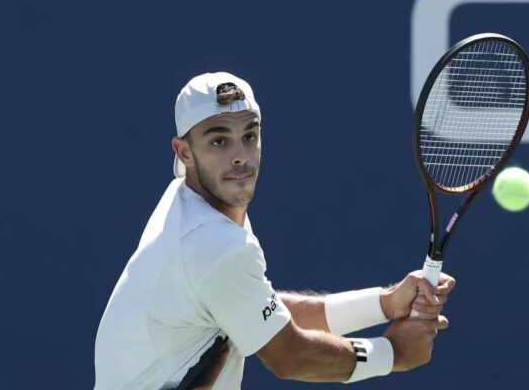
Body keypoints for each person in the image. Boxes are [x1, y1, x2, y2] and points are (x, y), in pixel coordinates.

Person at [94, 72, 456, 390]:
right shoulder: (212, 242)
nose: (241, 156)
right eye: (219, 141)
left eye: (249, 136)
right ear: (184, 152)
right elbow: (290, 356)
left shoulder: (192, 203)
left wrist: (383, 303)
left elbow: (257, 311)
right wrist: (392, 353)